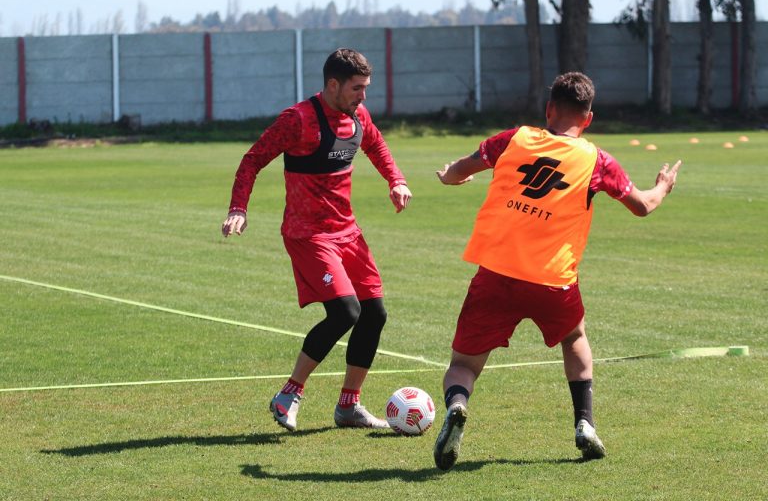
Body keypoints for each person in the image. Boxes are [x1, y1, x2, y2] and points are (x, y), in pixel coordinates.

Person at [432, 72, 681, 470]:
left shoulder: (514, 138)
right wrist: (664, 186)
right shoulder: (597, 160)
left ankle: (457, 406)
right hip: (553, 280)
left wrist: (448, 176)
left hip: (496, 273)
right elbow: (643, 206)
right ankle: (584, 424)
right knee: (575, 338)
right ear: (589, 118)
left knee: (463, 365)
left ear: (549, 109)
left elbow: (462, 169)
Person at [221, 48, 412, 432]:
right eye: (357, 88)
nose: (363, 97)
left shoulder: (358, 117)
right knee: (345, 312)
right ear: (332, 84)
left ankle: (349, 407)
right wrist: (238, 208)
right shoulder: (299, 120)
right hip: (308, 235)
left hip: (348, 232)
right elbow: (253, 159)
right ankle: (288, 394)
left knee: (374, 313)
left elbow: (376, 145)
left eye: (366, 88)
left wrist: (396, 180)